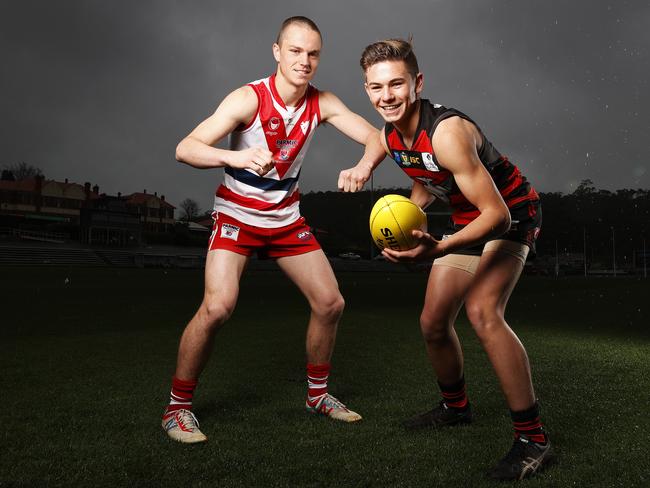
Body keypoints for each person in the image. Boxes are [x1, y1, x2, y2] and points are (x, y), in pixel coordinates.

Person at [163, 16, 385, 444]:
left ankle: (317, 396)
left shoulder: (322, 103)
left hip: (286, 220)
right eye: (296, 51)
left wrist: (362, 166)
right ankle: (177, 409)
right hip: (237, 217)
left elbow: (377, 137)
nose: (304, 61)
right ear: (277, 51)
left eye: (313, 53)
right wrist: (236, 159)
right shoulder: (248, 98)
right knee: (217, 308)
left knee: (331, 303)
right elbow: (185, 148)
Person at [338, 38, 552, 480]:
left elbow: (497, 215)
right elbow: (392, 151)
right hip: (466, 217)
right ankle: (456, 409)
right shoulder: (390, 132)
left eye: (397, 84)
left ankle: (534, 439)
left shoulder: (447, 133)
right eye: (376, 88)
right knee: (433, 322)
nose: (387, 96)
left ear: (418, 83)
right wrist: (364, 165)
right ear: (366, 89)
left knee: (482, 311)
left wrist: (439, 246)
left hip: (509, 216)